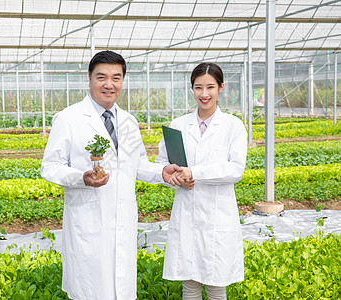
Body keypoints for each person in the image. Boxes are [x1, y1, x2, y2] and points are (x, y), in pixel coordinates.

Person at [41, 50, 183, 300]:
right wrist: (81, 178)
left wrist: (161, 171)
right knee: (91, 290)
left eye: (116, 78)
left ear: (122, 81)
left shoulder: (128, 121)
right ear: (89, 79)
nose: (109, 84)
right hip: (88, 220)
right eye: (102, 77)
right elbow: (50, 166)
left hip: (122, 219)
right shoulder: (69, 118)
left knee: (121, 288)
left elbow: (137, 164)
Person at [156, 62, 247, 300]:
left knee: (216, 283)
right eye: (198, 87)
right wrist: (175, 178)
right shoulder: (177, 126)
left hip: (218, 215)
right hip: (187, 212)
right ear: (192, 89)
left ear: (221, 88)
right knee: (190, 283)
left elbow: (235, 169)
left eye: (210, 87)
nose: (204, 94)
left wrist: (194, 172)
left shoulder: (232, 126)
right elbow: (162, 164)